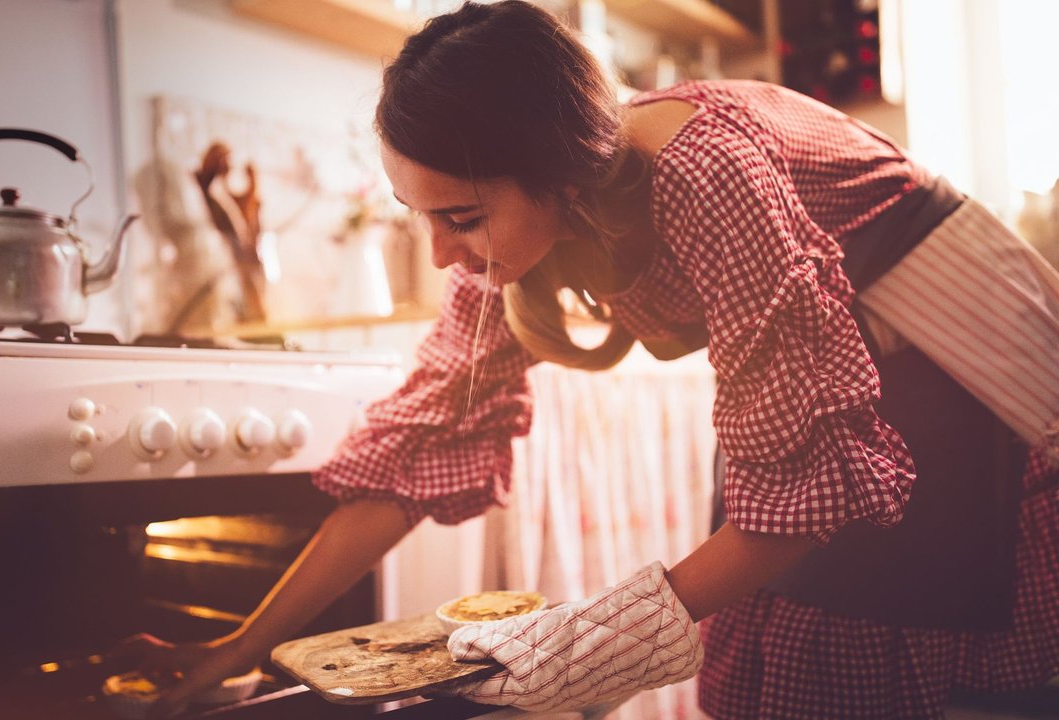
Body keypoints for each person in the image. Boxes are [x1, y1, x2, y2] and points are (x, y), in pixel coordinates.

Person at [117, 2, 1059, 717]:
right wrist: (242, 648)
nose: (443, 253)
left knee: (918, 632)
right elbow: (409, 463)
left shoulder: (704, 170)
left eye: (463, 218)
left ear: (560, 176)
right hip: (834, 356)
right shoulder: (506, 239)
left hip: (959, 350)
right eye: (423, 217)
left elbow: (794, 514)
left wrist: (580, 643)